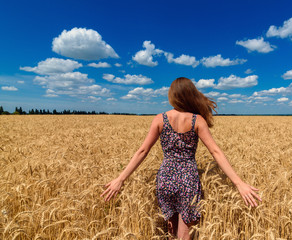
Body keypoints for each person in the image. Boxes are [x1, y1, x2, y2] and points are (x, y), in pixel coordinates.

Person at [101, 77, 262, 240]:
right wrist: (239, 183)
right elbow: (216, 151)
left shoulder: (160, 119)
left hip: (166, 179)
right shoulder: (197, 120)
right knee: (185, 234)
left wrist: (120, 179)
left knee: (171, 231)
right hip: (188, 180)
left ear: (172, 96)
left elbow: (142, 151)